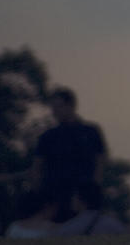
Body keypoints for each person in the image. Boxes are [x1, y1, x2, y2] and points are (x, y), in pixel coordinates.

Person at [31, 90, 106, 222]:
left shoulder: (90, 132)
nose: (54, 112)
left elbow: (100, 162)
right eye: (53, 108)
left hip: (83, 196)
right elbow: (37, 167)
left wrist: (94, 190)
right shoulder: (48, 137)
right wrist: (39, 197)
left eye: (58, 107)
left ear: (71, 106)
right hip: (55, 196)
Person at [50, 184, 125, 237]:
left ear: (81, 201)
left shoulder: (67, 228)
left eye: (74, 197)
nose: (72, 200)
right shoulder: (115, 225)